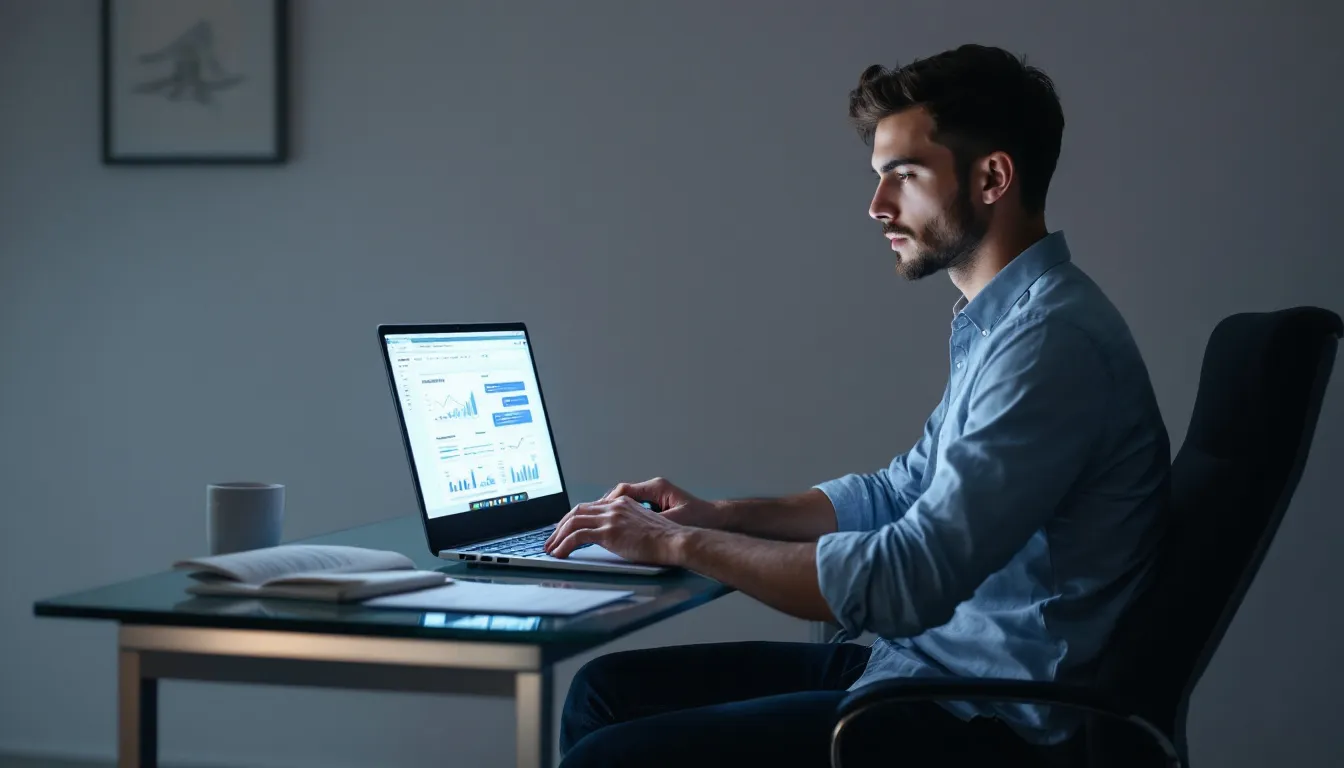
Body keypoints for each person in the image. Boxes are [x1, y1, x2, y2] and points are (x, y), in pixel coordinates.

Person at [543, 43, 1170, 767]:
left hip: (982, 719)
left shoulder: (1049, 344)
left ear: (993, 176)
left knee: (613, 756)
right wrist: (724, 515)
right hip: (922, 672)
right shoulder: (1007, 323)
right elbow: (900, 491)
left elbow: (907, 580)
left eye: (904, 176)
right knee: (604, 692)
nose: (877, 207)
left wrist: (676, 544)